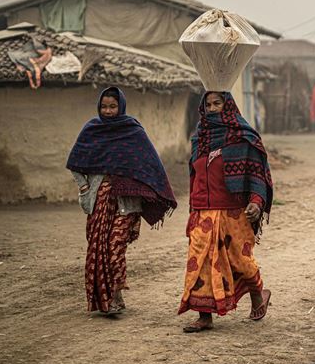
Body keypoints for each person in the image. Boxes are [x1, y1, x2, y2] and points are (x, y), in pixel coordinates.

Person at [67, 87, 178, 315]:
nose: (108, 111)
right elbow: (75, 162)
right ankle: (108, 299)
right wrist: (84, 186)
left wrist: (149, 190)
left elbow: (149, 163)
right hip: (99, 199)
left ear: (121, 107)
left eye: (113, 106)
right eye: (104, 107)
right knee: (98, 247)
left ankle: (116, 295)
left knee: (115, 245)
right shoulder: (92, 130)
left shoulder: (133, 131)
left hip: (126, 202)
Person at [179, 91, 275, 333]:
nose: (212, 108)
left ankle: (258, 293)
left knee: (240, 260)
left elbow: (257, 173)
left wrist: (256, 202)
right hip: (203, 211)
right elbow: (194, 176)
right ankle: (204, 316)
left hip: (233, 211)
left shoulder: (242, 136)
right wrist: (193, 207)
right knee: (199, 261)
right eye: (208, 104)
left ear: (228, 104)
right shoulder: (199, 138)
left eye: (217, 103)